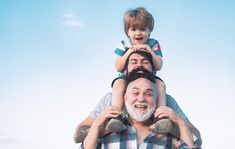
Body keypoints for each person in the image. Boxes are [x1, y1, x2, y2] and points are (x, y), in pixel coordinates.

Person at [73, 51, 202, 145]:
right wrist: (104, 127)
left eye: (145, 62)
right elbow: (78, 136)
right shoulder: (110, 99)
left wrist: (172, 125)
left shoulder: (167, 101)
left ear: (153, 70)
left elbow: (196, 137)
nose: (139, 65)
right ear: (125, 70)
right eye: (133, 62)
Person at [82, 71, 201, 148]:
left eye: (148, 94)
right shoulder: (106, 130)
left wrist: (180, 123)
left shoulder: (170, 135)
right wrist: (96, 124)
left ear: (156, 100)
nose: (141, 99)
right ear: (125, 98)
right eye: (135, 93)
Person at [107, 7, 171, 134]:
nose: (138, 33)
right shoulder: (124, 44)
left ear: (149, 31)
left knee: (160, 85)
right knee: (118, 84)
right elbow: (118, 66)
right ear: (127, 32)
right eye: (134, 29)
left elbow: (158, 65)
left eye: (143, 29)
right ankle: (116, 117)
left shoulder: (153, 43)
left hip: (148, 78)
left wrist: (149, 50)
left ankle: (161, 119)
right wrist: (129, 51)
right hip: (127, 77)